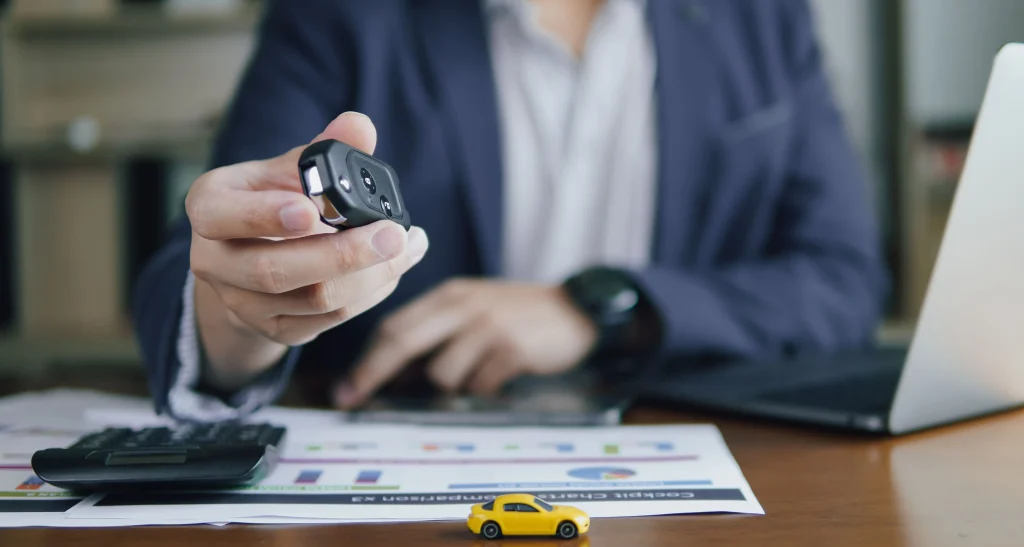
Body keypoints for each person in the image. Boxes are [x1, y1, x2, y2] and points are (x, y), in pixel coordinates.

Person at [133, 0, 887, 421]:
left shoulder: (764, 16)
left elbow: (843, 278)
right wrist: (243, 315)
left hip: (699, 461)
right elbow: (201, 262)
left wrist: (603, 310)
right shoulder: (341, 16)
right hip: (400, 468)